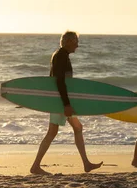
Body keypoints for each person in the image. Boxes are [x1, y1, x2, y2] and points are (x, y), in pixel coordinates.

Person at [30, 31, 103, 175]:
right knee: (52, 132)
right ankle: (35, 166)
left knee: (77, 128)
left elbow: (64, 82)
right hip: (59, 101)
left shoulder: (63, 56)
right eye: (75, 41)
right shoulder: (60, 56)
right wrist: (66, 105)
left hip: (62, 100)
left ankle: (86, 164)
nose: (77, 44)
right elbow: (59, 82)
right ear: (68, 41)